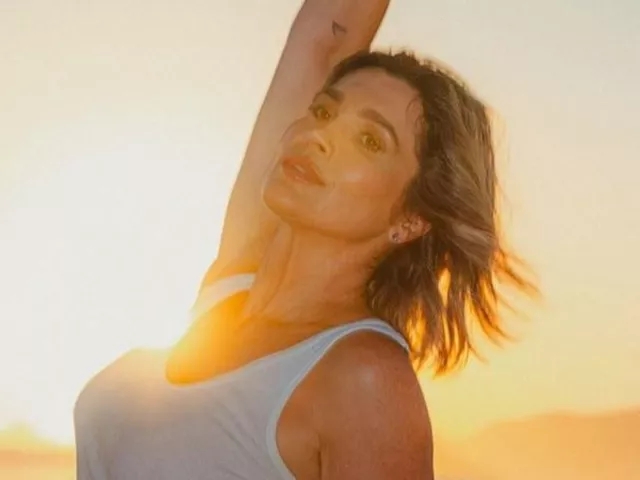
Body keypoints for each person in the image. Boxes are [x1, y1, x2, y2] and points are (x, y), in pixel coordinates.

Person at [74, 1, 534, 479]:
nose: (319, 135)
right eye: (323, 110)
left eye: (370, 141)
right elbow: (323, 40)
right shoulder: (230, 286)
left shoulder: (364, 379)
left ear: (411, 218)